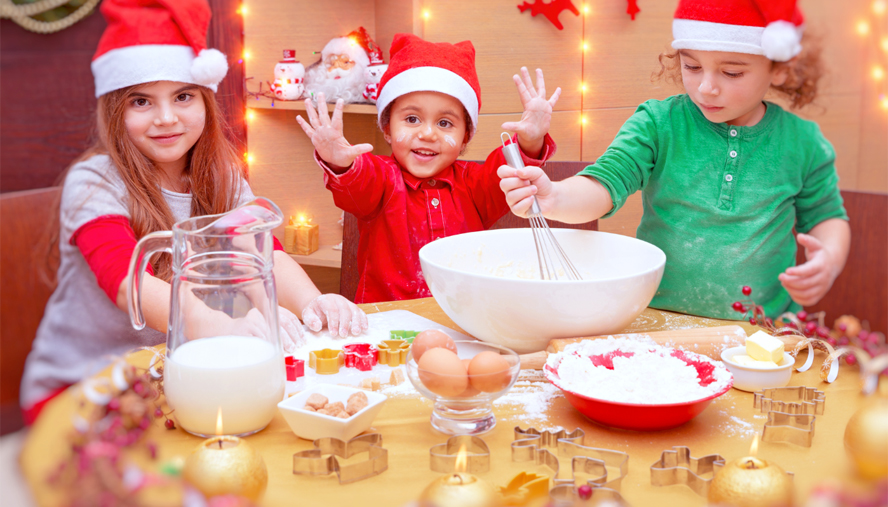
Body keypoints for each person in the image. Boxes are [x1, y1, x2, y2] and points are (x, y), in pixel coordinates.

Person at [20, 0, 367, 424]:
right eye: (141, 101)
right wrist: (220, 325)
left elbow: (263, 251)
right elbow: (125, 280)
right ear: (114, 111)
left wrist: (313, 302)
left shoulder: (222, 174)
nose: (166, 118)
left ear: (205, 101)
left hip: (174, 373)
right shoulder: (94, 182)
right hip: (84, 386)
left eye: (183, 96)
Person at [498, 0, 850, 320]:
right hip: (656, 318)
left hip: (762, 331)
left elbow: (828, 218)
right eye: (692, 66)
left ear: (779, 70)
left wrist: (829, 259)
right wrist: (555, 197)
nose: (706, 87)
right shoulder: (657, 124)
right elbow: (605, 183)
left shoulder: (803, 142)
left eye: (731, 73)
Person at [297, 33, 561, 303]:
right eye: (412, 119)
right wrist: (340, 161)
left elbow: (509, 173)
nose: (427, 134)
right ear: (387, 128)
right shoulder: (382, 178)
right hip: (389, 325)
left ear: (465, 136)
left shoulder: (474, 184)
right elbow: (358, 180)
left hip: (465, 318)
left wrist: (530, 139)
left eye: (445, 123)